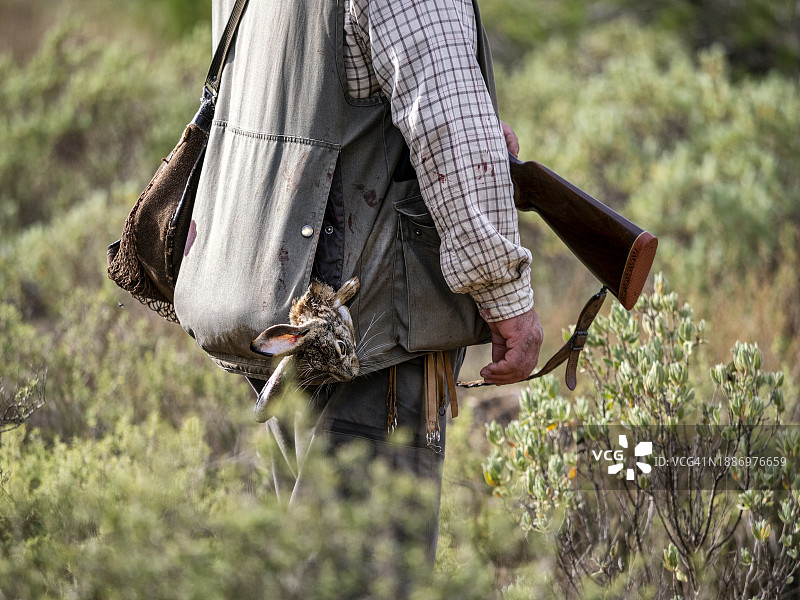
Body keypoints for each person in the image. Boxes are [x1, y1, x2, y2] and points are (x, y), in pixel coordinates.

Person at [173, 0, 544, 563]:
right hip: (369, 334)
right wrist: (506, 297)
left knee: (311, 567)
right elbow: (446, 127)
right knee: (365, 576)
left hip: (283, 311)